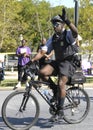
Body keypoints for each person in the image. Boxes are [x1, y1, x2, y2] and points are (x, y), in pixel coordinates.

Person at [31, 8, 79, 121]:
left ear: (62, 25)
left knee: (61, 83)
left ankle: (60, 111)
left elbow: (76, 32)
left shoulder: (68, 34)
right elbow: (43, 51)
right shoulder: (53, 38)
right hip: (58, 62)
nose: (54, 26)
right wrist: (31, 61)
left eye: (56, 24)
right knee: (42, 72)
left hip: (69, 62)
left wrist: (67, 20)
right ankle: (55, 91)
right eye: (53, 24)